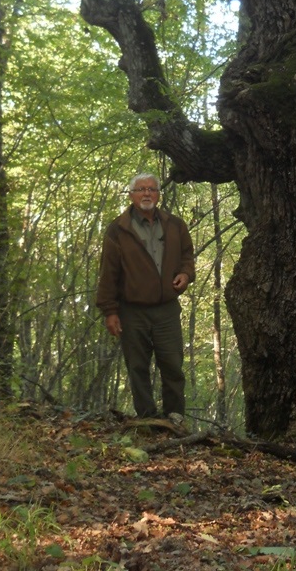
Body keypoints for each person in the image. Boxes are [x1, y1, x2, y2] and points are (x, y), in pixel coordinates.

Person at [96, 173, 195, 424]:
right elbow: (109, 272)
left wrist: (185, 273)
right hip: (132, 310)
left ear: (159, 194)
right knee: (137, 366)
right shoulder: (118, 229)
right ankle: (147, 418)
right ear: (131, 195)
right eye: (140, 189)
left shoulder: (175, 225)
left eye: (151, 189)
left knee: (172, 364)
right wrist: (110, 311)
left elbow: (187, 256)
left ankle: (175, 417)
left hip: (167, 309)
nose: (147, 193)